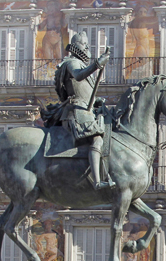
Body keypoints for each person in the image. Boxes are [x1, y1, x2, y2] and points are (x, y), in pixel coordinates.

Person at [51, 31, 114, 190]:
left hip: (86, 109)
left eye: (87, 44)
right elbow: (78, 77)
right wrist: (97, 64)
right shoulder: (72, 62)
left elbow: (85, 92)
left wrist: (97, 101)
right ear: (75, 46)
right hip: (76, 110)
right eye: (84, 44)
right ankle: (97, 182)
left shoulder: (81, 64)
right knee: (97, 139)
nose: (87, 47)